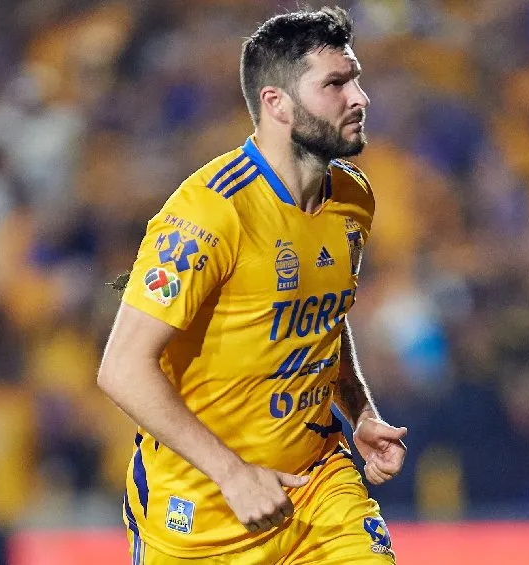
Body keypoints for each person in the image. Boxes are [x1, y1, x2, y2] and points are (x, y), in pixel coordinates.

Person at [97, 6, 407, 564]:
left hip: (319, 491)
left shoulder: (354, 198)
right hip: (203, 515)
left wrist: (358, 410)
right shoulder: (208, 213)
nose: (360, 97)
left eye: (356, 79)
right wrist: (233, 474)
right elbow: (121, 369)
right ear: (276, 103)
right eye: (336, 83)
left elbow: (323, 321)